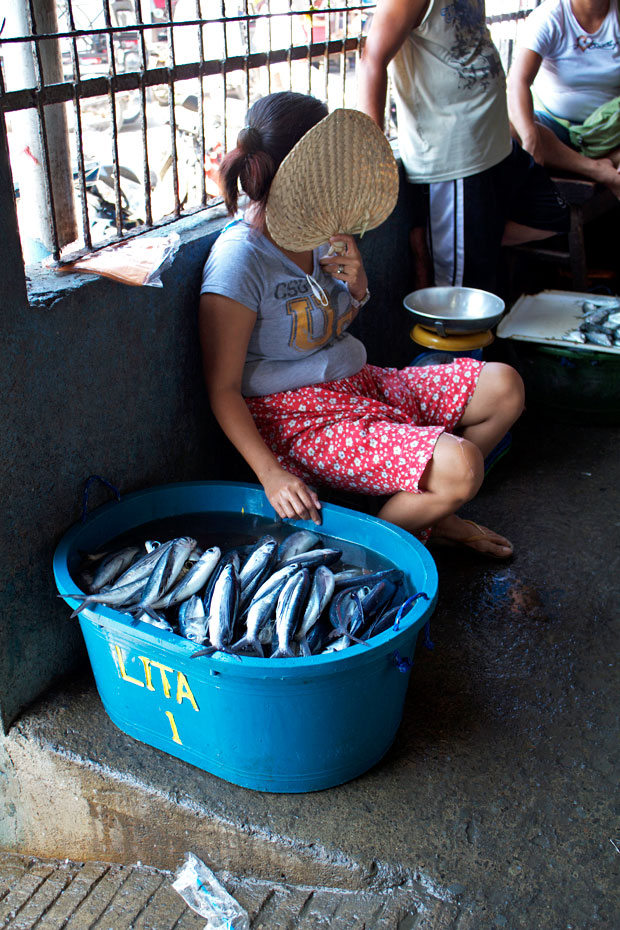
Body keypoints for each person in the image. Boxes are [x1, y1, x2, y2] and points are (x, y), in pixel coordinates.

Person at [199, 91, 525, 558]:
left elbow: (331, 326)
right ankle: (369, 546)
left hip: (360, 384)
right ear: (299, 169)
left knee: (505, 387)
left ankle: (430, 511)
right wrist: (271, 473)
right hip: (298, 419)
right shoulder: (239, 260)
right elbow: (223, 388)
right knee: (463, 467)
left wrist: (357, 289)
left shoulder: (320, 229)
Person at [357, 0, 570, 291]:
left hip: (497, 145)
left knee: (553, 215)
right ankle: (436, 247)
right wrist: (373, 154)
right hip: (455, 158)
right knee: (458, 299)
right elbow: (372, 58)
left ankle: (448, 241)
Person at [507, 0, 620, 199]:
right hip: (555, 131)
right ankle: (597, 169)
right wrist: (531, 138)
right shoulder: (550, 16)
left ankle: (598, 160)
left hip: (610, 133)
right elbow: (517, 81)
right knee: (508, 128)